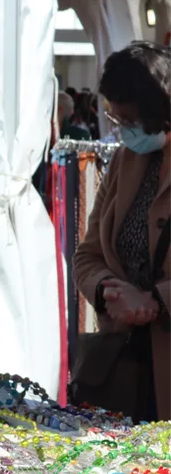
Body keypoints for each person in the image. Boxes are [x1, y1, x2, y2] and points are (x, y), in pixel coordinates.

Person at [73, 41, 171, 422]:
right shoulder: (123, 162)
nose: (120, 130)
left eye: (127, 120)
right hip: (121, 370)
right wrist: (107, 290)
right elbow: (87, 254)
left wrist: (154, 301)